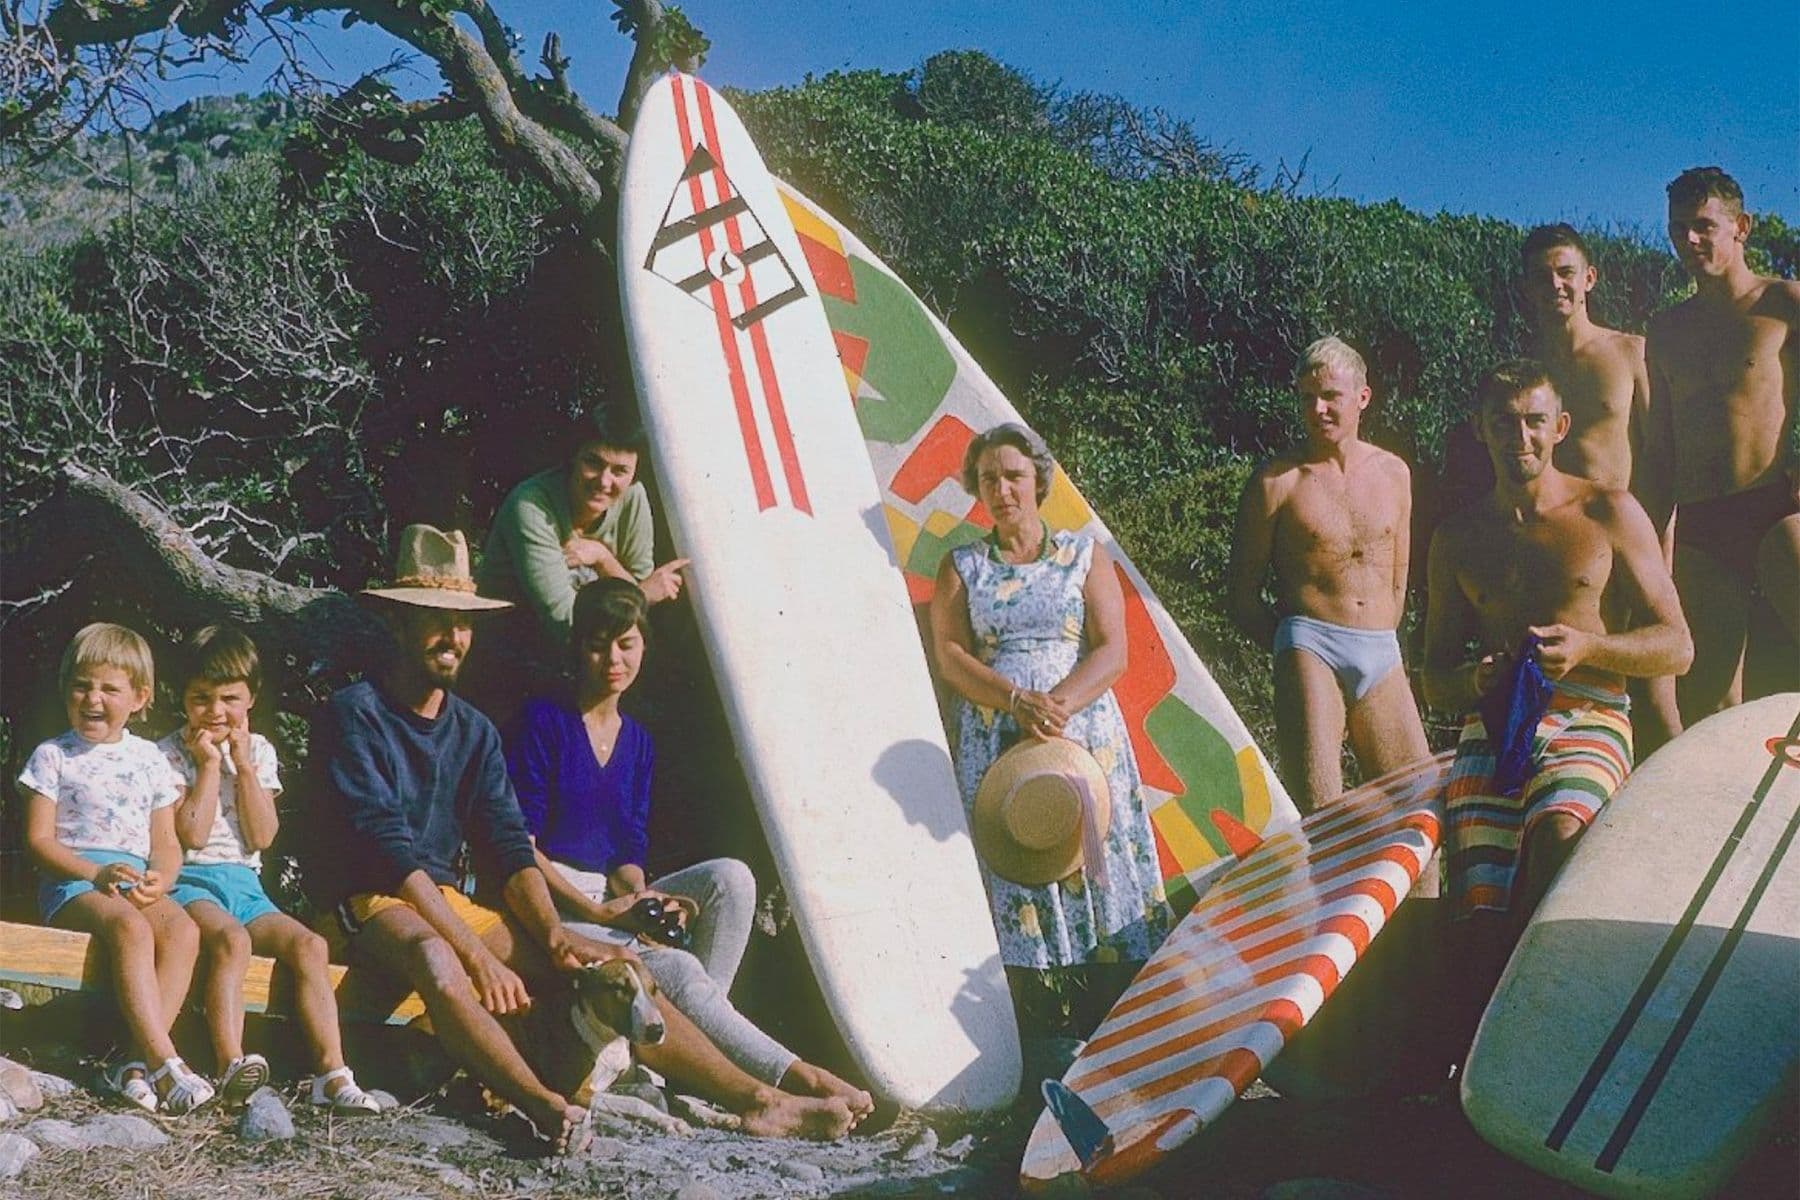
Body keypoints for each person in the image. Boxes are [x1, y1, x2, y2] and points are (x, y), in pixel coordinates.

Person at [302, 525, 854, 1152]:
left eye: (463, 623)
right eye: (436, 620)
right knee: (437, 955)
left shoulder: (473, 730)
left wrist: (555, 932)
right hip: (363, 904)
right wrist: (478, 956)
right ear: (399, 625)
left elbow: (512, 847)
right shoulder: (357, 712)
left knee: (605, 963)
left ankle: (761, 1101)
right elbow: (389, 857)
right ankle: (542, 1105)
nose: (453, 638)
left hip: (444, 903)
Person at [505, 578, 873, 1122]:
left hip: (609, 900)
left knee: (731, 879)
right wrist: (597, 911)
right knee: (675, 967)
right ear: (577, 647)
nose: (612, 659)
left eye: (626, 644)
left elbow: (627, 850)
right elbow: (519, 844)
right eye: (598, 643)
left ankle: (688, 1058)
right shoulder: (545, 721)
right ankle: (799, 1077)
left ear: (644, 648)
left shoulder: (637, 739)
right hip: (554, 900)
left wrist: (645, 900)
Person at [1423, 362, 1691, 1019]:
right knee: (1482, 910)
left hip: (1590, 715)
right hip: (1496, 727)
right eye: (1504, 422)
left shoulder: (1608, 511)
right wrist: (1474, 680)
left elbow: (1677, 647)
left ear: (1560, 427)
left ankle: (1548, 1027)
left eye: (1534, 421)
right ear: (1480, 431)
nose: (1521, 436)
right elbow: (1432, 679)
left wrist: (1590, 647)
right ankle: (1485, 1051)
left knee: (1559, 837)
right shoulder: (1456, 538)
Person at [928, 423, 1170, 1029]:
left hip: (1080, 731)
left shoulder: (1085, 555)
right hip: (1000, 731)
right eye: (989, 479)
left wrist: (1056, 705)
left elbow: (1113, 649)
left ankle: (1111, 1002)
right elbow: (951, 655)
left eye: (1013, 475)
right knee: (1022, 848)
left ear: (1038, 479)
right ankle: (1040, 1010)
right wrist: (1015, 701)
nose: (1002, 490)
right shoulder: (961, 566)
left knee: (1090, 851)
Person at [159, 624, 380, 1111]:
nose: (215, 711)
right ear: (183, 699)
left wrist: (244, 768)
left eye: (229, 698)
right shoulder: (169, 753)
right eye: (201, 698)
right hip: (191, 882)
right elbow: (190, 835)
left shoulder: (256, 751)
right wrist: (210, 766)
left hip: (245, 884)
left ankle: (332, 1073)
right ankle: (230, 1063)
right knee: (232, 941)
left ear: (251, 699)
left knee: (310, 944)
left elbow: (262, 836)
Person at [18, 623, 215, 1114]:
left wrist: (163, 879)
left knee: (184, 931)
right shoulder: (54, 755)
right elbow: (38, 841)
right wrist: (91, 873)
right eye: (82, 685)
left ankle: (132, 1065)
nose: (93, 698)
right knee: (129, 928)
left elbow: (166, 843)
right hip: (75, 882)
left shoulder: (149, 759)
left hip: (133, 881)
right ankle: (166, 1059)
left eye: (109, 688)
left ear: (139, 697)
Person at [1228, 336, 1429, 813]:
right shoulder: (1277, 482)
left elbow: (1398, 577)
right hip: (1311, 643)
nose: (1317, 409)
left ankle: (1423, 894)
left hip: (1381, 646)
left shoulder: (1394, 473)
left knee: (1420, 808)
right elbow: (1241, 597)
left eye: (1330, 397)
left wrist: (1380, 626)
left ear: (1362, 397)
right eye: (1306, 398)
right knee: (1323, 810)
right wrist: (1291, 649)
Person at [1644, 166, 1800, 725]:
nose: (1689, 241)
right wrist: (1648, 542)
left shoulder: (1784, 303)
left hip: (1776, 506)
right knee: (1709, 705)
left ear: (1743, 228)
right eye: (1678, 229)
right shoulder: (1665, 330)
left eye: (1704, 226)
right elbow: (1659, 448)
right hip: (1703, 523)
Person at [1520, 223, 1682, 755]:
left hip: (1635, 545)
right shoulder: (1528, 374)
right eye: (1542, 278)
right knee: (1569, 695)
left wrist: (1660, 551)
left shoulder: (1631, 353)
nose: (1556, 287)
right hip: (1568, 557)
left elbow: (1665, 458)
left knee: (1659, 702)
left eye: (1566, 273)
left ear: (1589, 277)